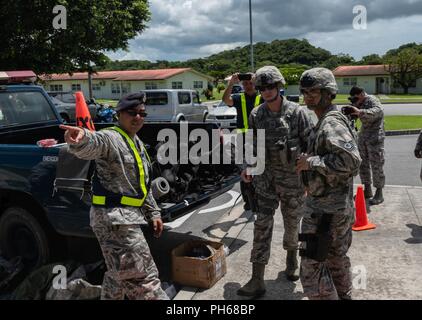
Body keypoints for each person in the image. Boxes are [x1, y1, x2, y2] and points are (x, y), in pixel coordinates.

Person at [60, 92, 168, 300]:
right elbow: (94, 143)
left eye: (142, 113)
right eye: (131, 113)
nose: (138, 117)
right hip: (114, 221)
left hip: (127, 217)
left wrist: (153, 212)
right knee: (143, 280)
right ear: (118, 114)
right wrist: (80, 140)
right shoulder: (112, 137)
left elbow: (141, 187)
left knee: (118, 277)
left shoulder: (135, 141)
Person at [237, 66, 313, 297]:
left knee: (292, 224)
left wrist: (308, 176)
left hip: (292, 181)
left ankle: (292, 259)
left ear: (279, 86)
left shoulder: (297, 113)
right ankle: (257, 278)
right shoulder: (257, 114)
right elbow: (251, 144)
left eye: (271, 86)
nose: (267, 91)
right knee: (262, 225)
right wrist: (246, 167)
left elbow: (310, 145)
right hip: (265, 181)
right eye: (262, 87)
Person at [296, 68, 361, 300]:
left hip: (325, 213)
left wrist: (310, 162)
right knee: (336, 259)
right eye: (304, 92)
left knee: (311, 267)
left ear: (328, 93)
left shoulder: (331, 122)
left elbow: (351, 161)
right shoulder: (329, 119)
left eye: (313, 91)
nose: (307, 97)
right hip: (336, 209)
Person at [222, 73, 263, 212]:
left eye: (251, 83)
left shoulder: (262, 96)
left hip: (259, 139)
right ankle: (247, 200)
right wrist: (231, 83)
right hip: (242, 139)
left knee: (259, 170)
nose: (248, 86)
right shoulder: (239, 98)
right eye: (245, 84)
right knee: (244, 171)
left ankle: (259, 197)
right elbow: (225, 100)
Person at [348, 86, 385, 205]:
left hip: (375, 135)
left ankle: (379, 193)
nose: (355, 100)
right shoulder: (358, 102)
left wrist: (360, 112)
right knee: (363, 164)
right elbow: (353, 118)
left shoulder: (372, 100)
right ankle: (367, 189)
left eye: (357, 97)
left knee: (376, 164)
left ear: (362, 93)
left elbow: (378, 111)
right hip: (363, 135)